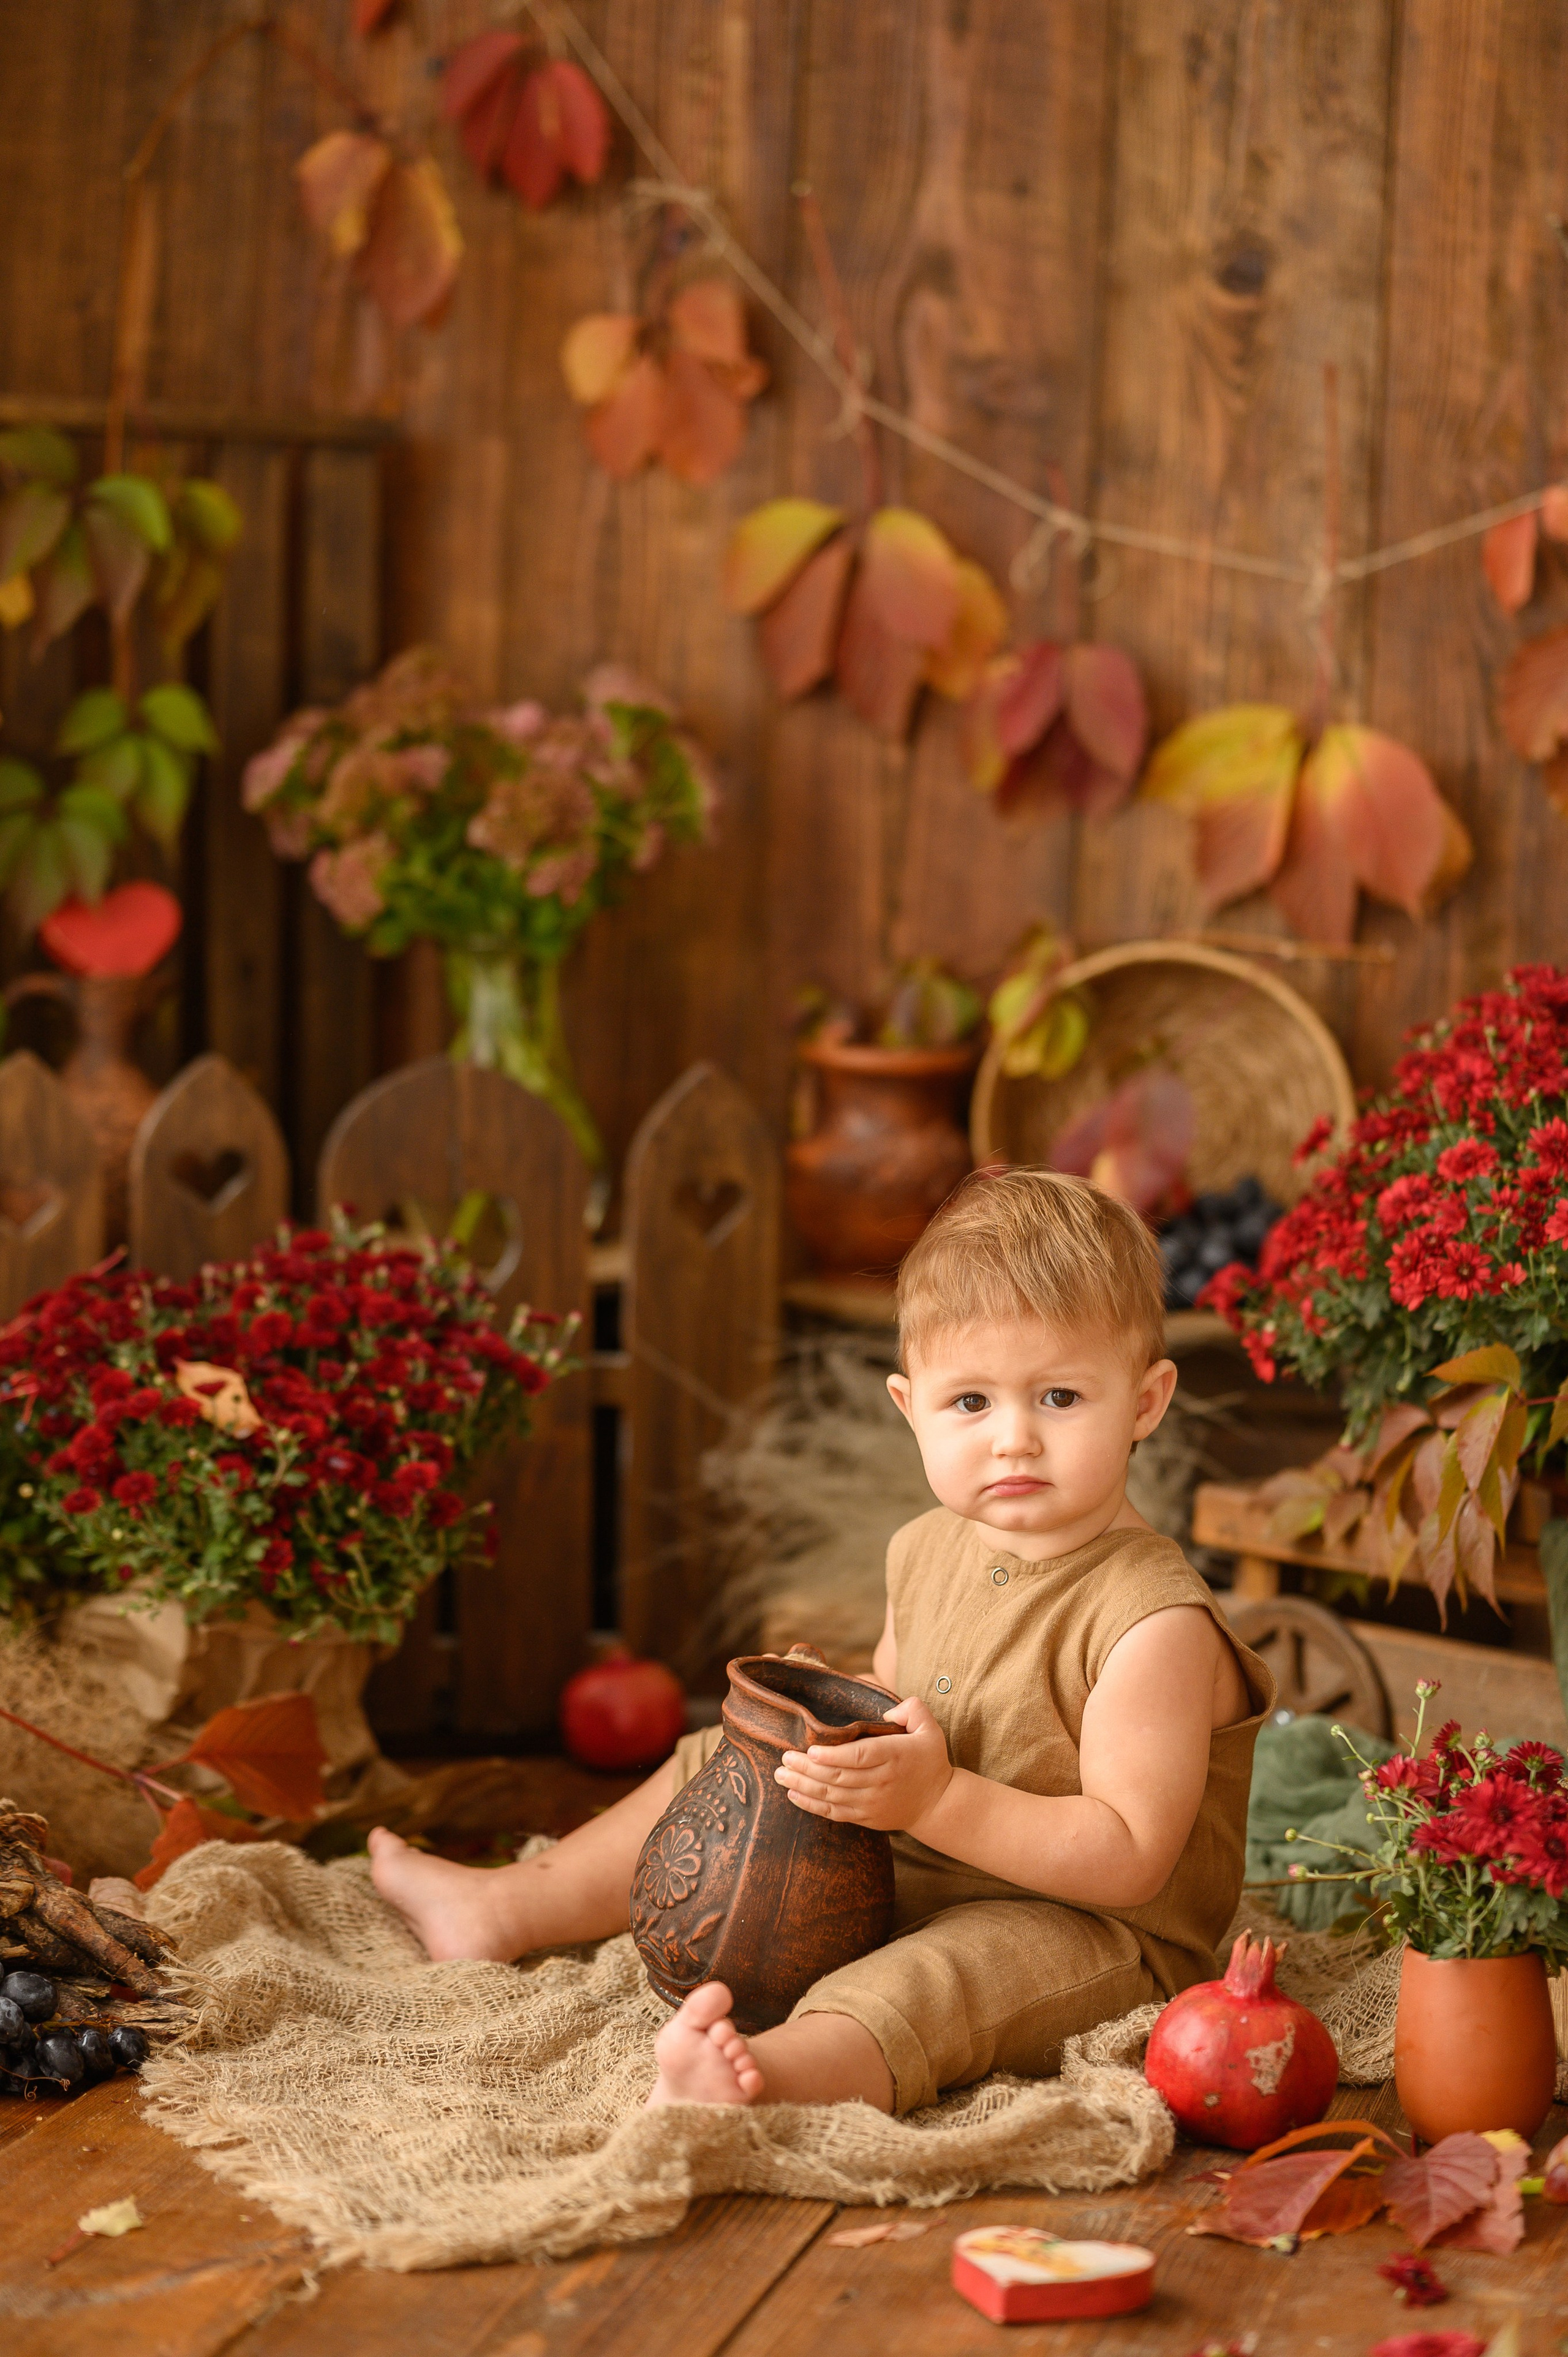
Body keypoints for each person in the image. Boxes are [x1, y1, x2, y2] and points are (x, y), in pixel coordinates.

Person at [370, 1168, 1273, 2115]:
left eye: (1059, 1398)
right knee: (717, 1764)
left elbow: (1129, 1855)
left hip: (1086, 1930)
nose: (1014, 1439)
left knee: (946, 1977)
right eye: (971, 1403)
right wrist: (828, 1727)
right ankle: (507, 1907)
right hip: (916, 1858)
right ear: (908, 1407)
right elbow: (900, 1697)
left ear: (1146, 1400)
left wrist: (936, 1799)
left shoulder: (1150, 1621)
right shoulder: (922, 1549)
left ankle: (770, 2080)